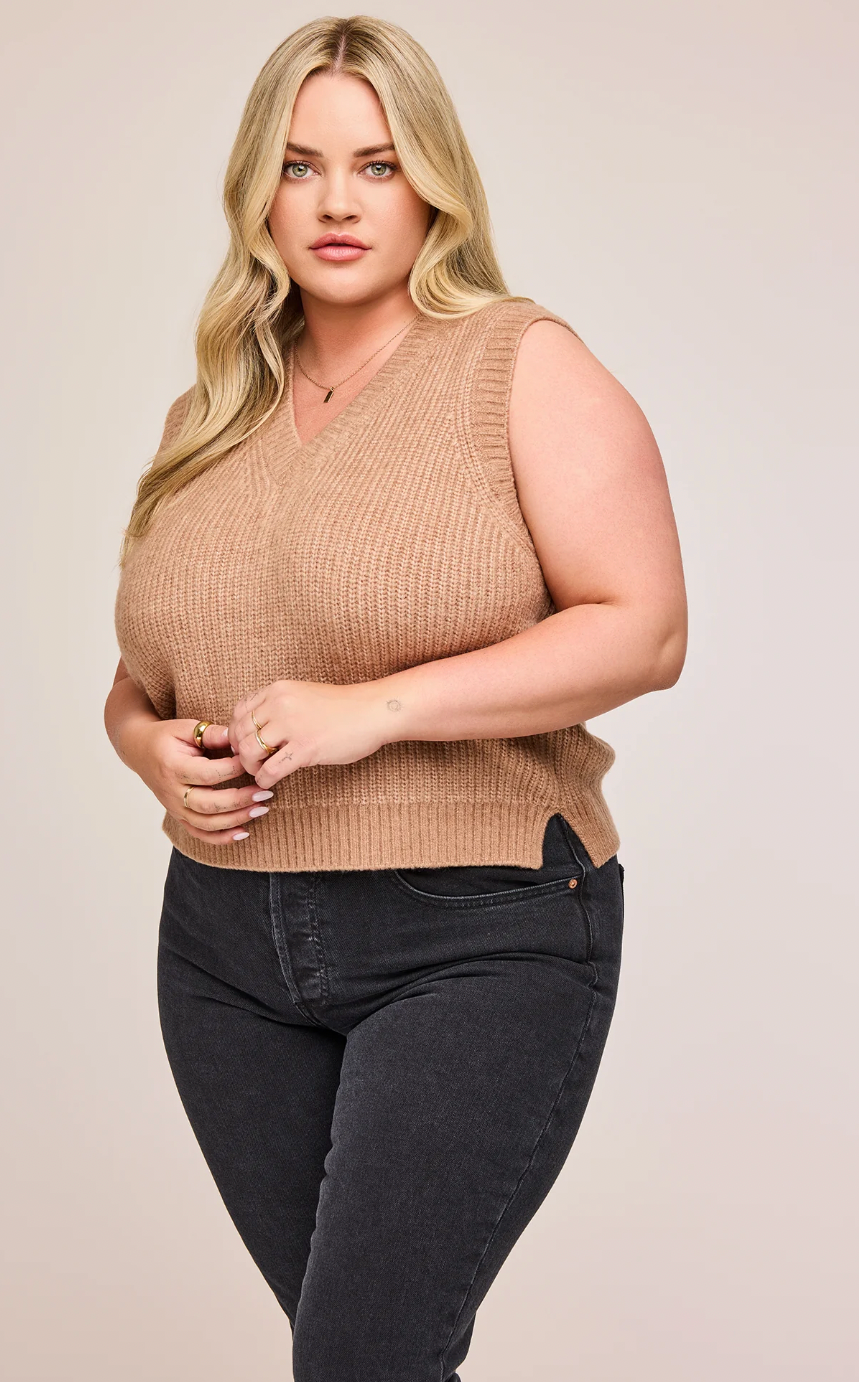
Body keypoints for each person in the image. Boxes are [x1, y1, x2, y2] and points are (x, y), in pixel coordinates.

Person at [105, 14, 687, 1380]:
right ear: (256, 191)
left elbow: (647, 628)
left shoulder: (517, 364)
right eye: (300, 166)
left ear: (434, 182)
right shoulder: (207, 415)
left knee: (360, 1360)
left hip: (473, 927)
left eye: (376, 164)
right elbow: (141, 678)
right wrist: (145, 750)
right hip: (224, 952)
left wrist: (374, 709)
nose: (338, 202)